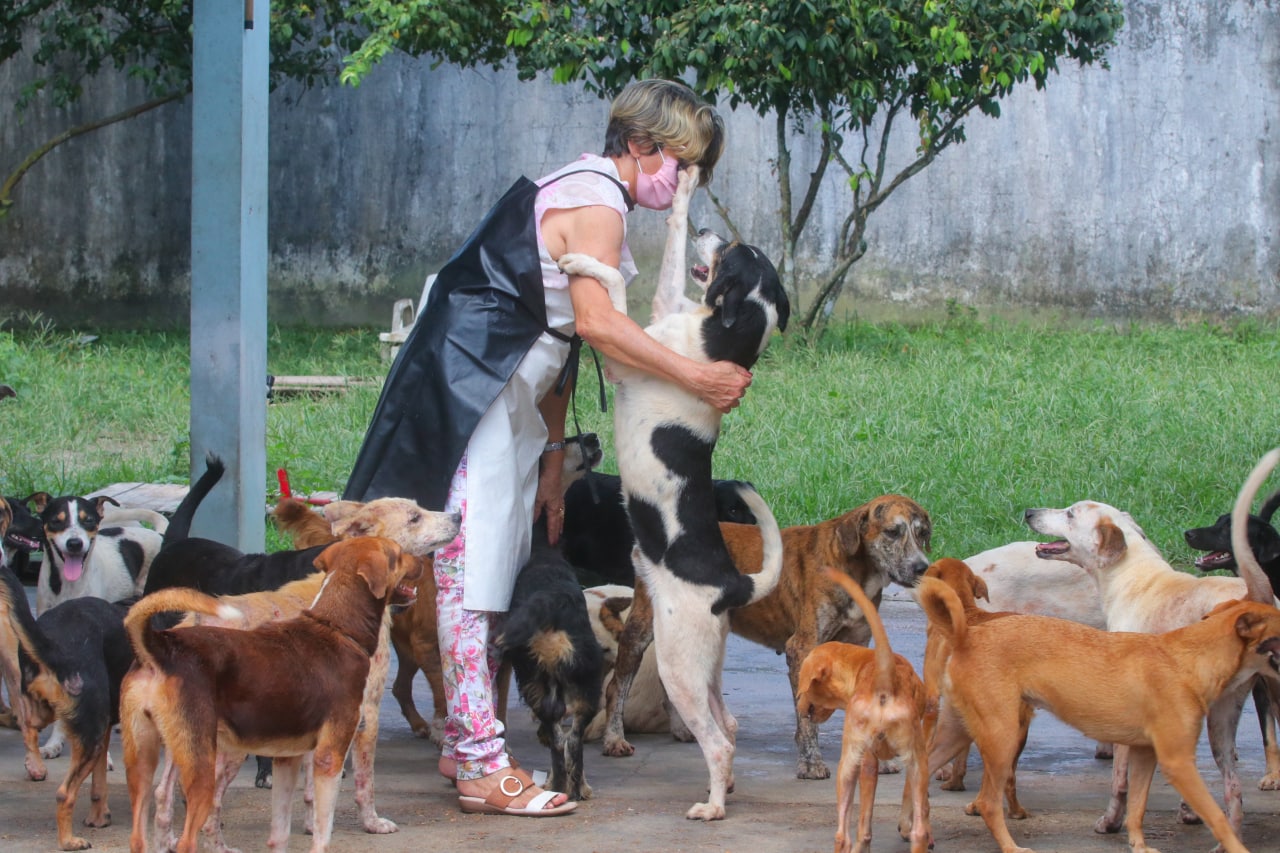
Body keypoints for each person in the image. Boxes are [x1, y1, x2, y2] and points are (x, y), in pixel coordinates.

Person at [345, 79, 750, 816]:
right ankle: (477, 763)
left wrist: (554, 467)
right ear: (642, 144)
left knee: (495, 570)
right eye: (684, 165)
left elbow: (565, 339)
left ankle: (466, 738)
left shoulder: (597, 196)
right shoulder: (596, 201)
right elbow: (596, 324)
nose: (684, 182)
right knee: (472, 580)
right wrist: (698, 375)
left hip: (507, 389)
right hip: (477, 386)